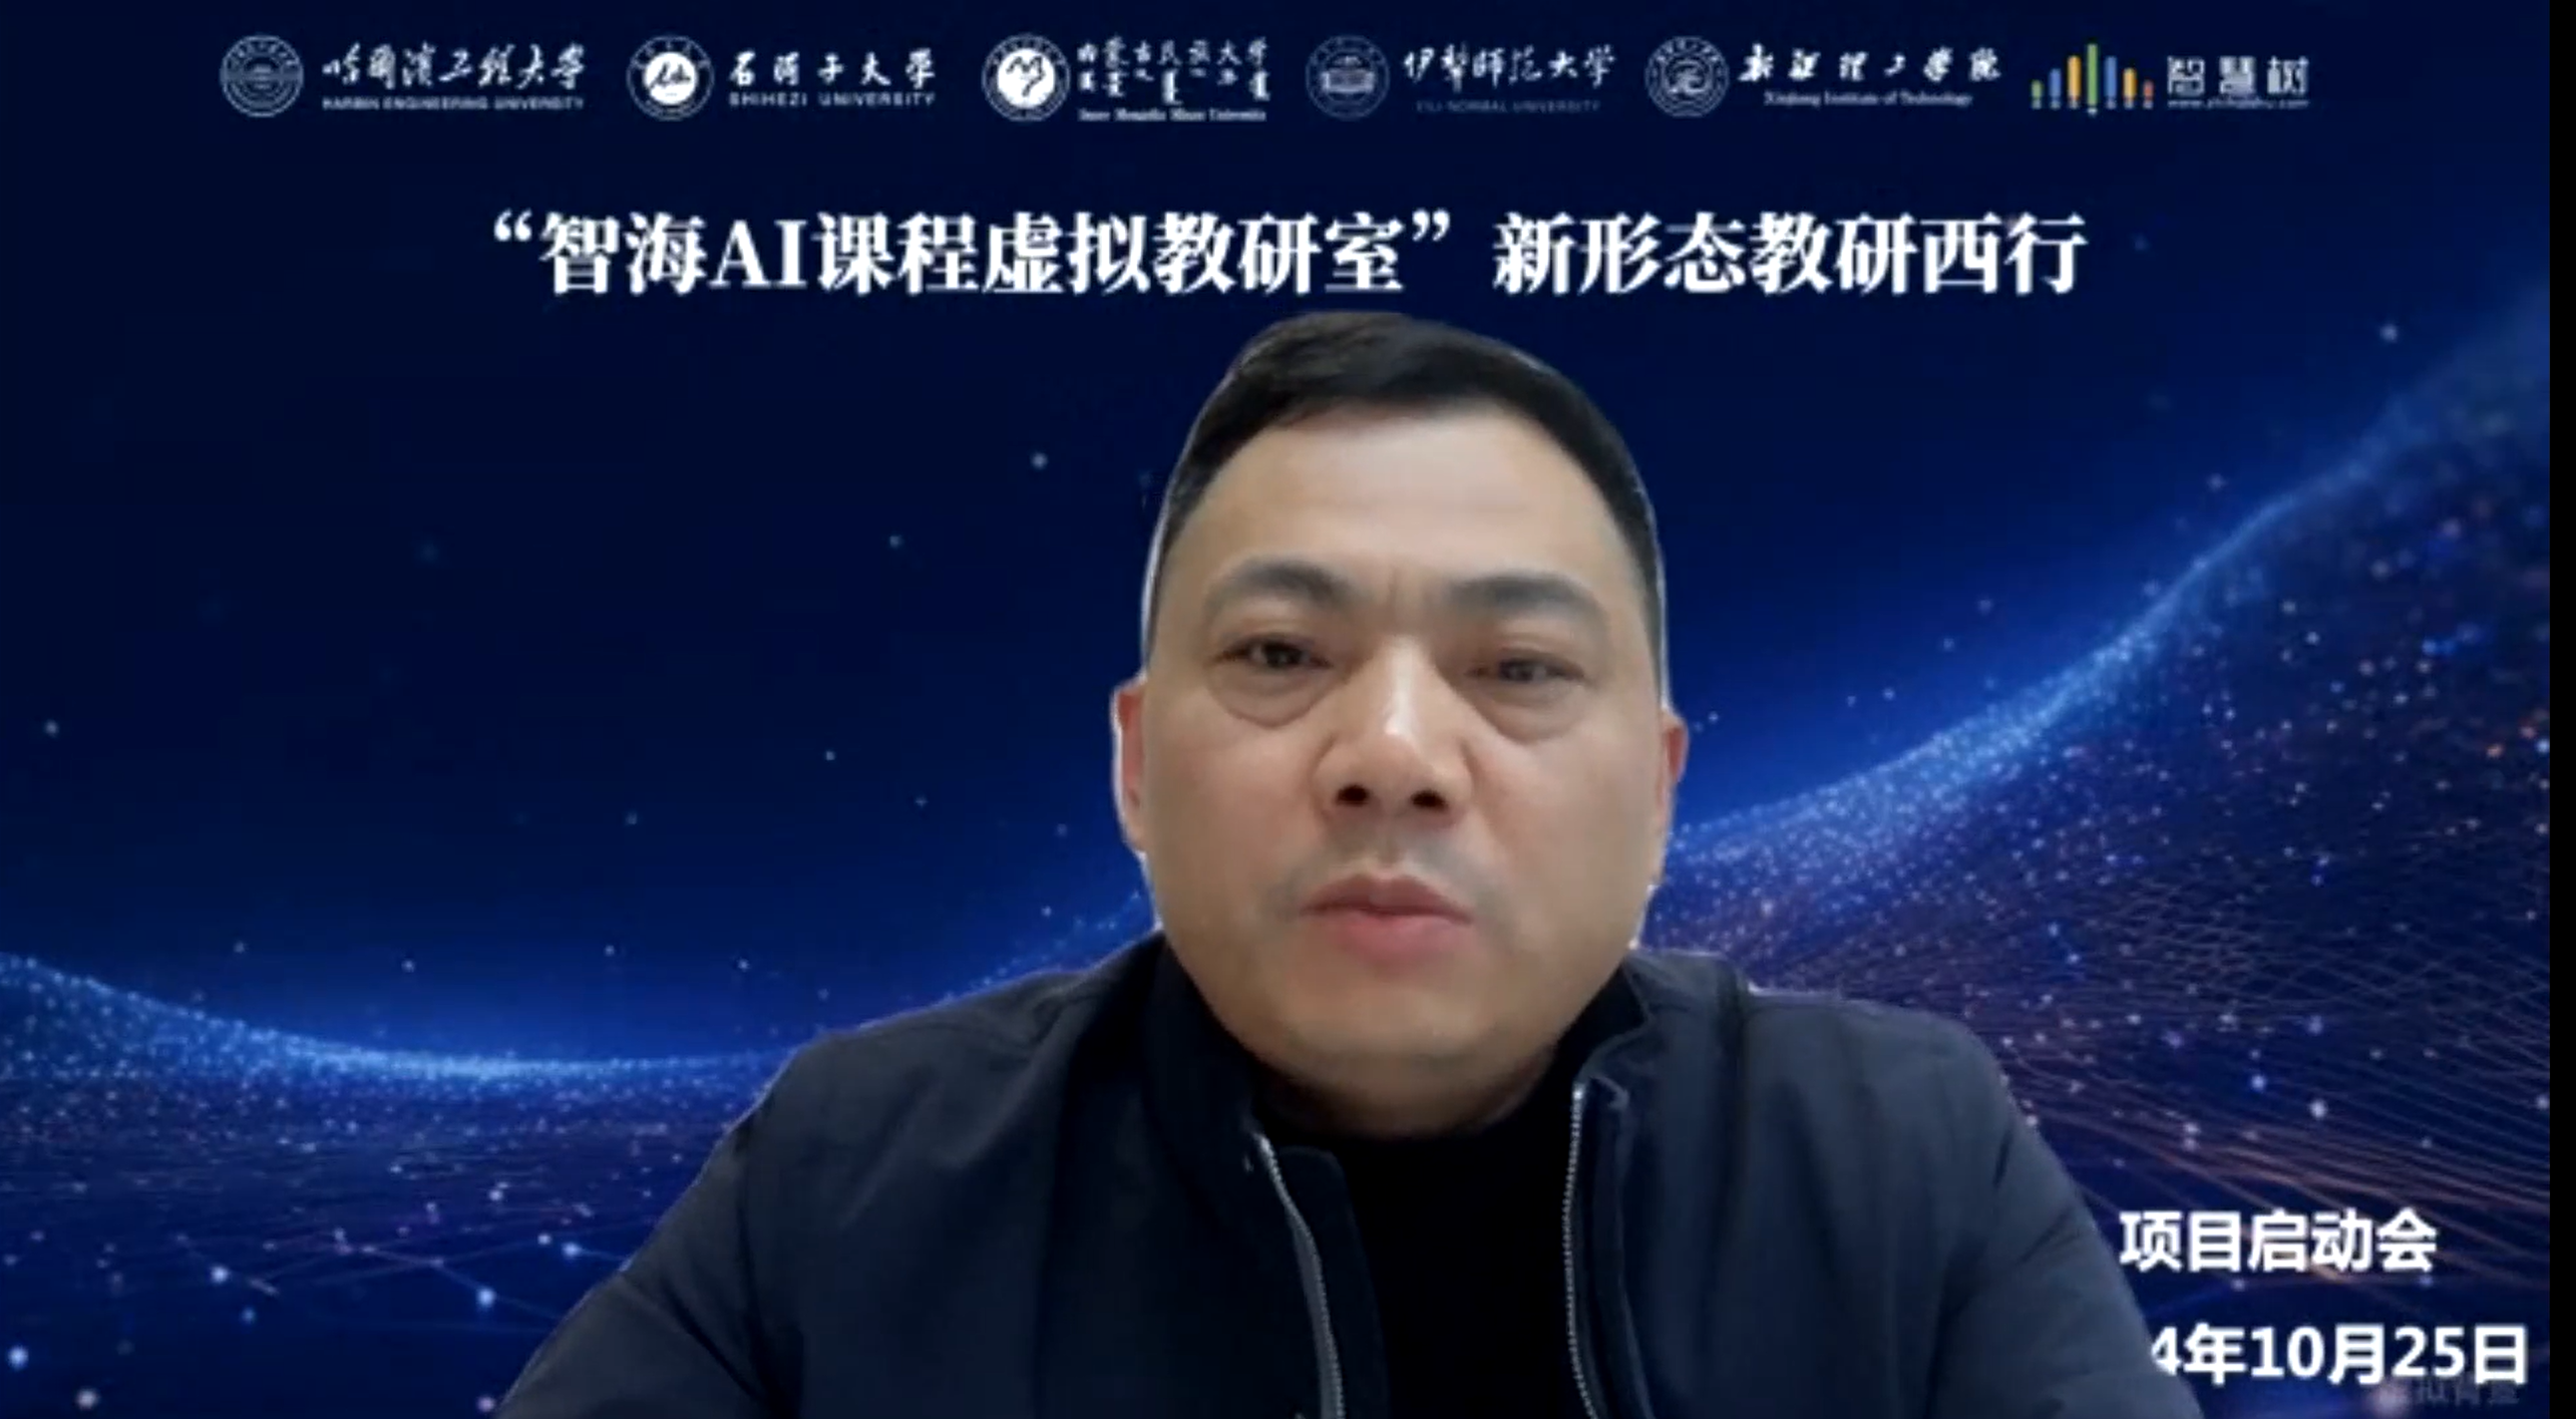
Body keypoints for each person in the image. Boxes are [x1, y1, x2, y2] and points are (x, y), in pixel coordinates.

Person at [495, 311, 2204, 1419]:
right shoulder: (847, 1179)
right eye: (1277, 654)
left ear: (1658, 786)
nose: (1391, 750)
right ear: (1136, 764)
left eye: (1517, 666)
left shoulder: (1900, 1162)